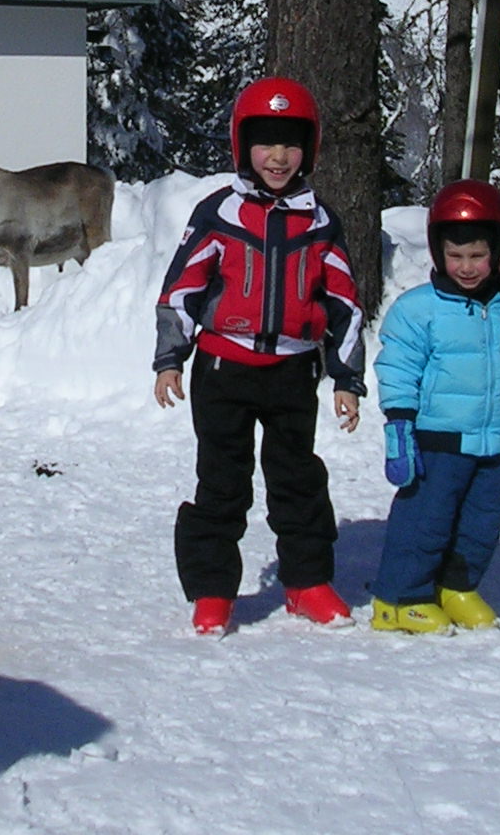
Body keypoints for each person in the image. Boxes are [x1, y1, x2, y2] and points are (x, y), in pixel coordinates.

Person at [154, 76, 366, 636]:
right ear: (242, 145)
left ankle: (307, 582)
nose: (278, 157)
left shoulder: (320, 221)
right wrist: (170, 358)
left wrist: (346, 376)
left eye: (291, 143)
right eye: (266, 142)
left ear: (310, 148)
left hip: (293, 373)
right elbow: (182, 289)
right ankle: (213, 591)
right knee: (223, 481)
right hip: (224, 371)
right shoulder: (221, 213)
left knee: (298, 480)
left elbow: (343, 303)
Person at [369, 178, 500, 633]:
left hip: (497, 438)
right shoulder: (421, 308)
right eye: (455, 256)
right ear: (439, 254)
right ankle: (399, 598)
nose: (466, 267)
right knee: (427, 519)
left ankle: (457, 587)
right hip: (439, 440)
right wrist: (399, 426)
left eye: (477, 255)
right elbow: (397, 367)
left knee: (484, 518)